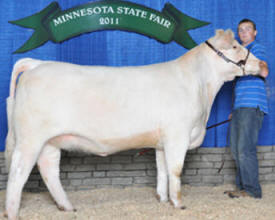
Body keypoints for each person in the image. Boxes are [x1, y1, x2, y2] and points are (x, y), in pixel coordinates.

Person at [225, 19, 269, 199]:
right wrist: (233, 110)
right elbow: (237, 85)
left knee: (245, 149)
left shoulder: (256, 49)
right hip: (239, 107)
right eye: (240, 30)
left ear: (255, 32)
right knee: (236, 150)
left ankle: (252, 191)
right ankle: (243, 188)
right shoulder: (240, 54)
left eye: (247, 29)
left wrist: (255, 66)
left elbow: (264, 71)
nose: (243, 33)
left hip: (252, 106)